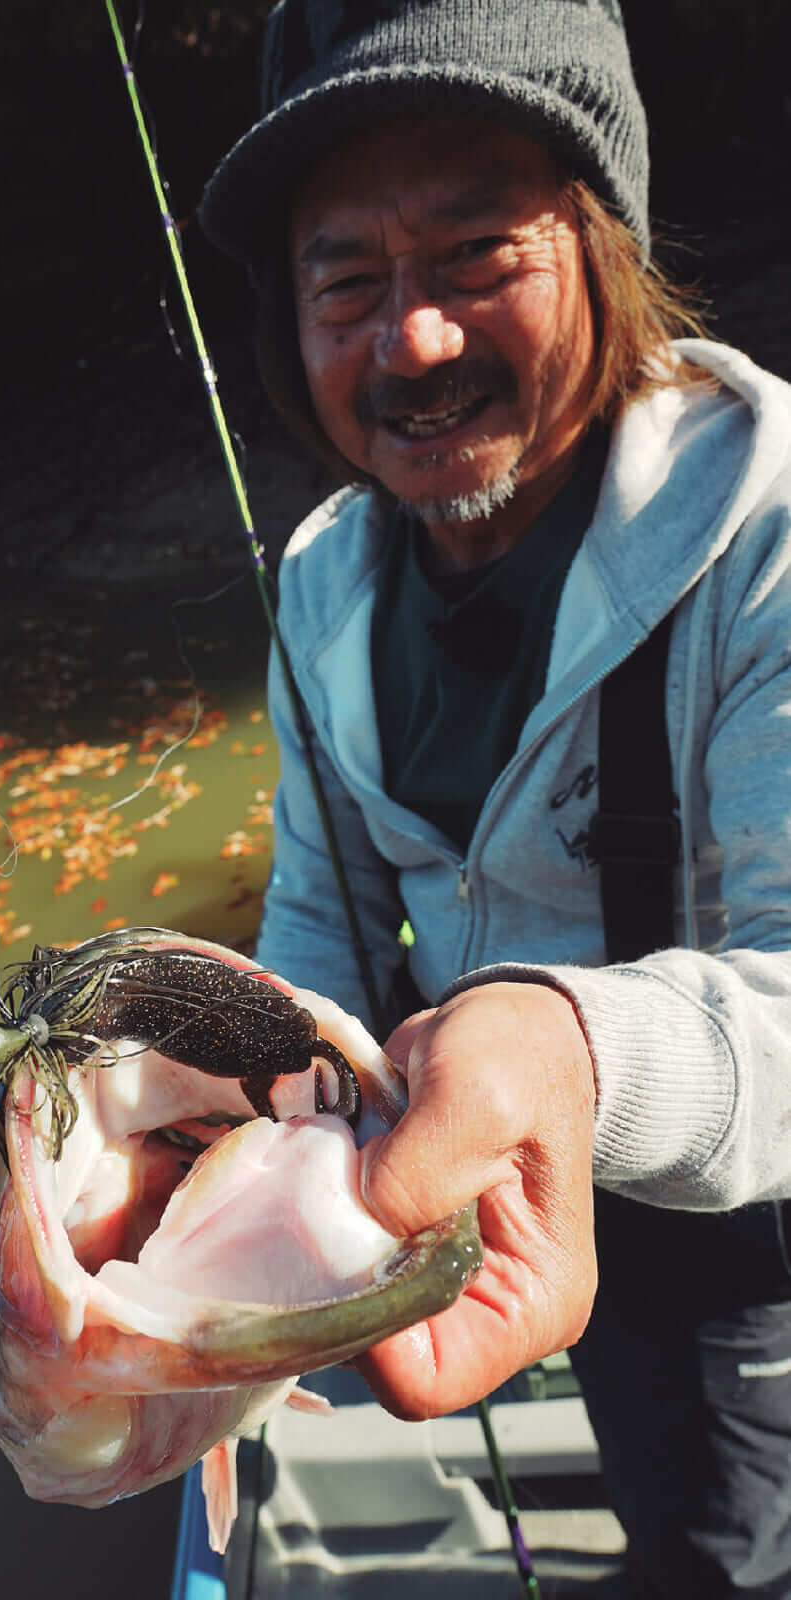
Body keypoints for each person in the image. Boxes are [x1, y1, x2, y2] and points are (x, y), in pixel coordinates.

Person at [199, 2, 791, 1595]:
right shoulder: (323, 587)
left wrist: (565, 1046)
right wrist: (216, 1106)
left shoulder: (770, 533)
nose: (411, 341)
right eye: (346, 282)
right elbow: (318, 920)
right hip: (488, 1199)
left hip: (753, 1238)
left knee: (726, 1544)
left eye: (475, 256)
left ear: (604, 247)